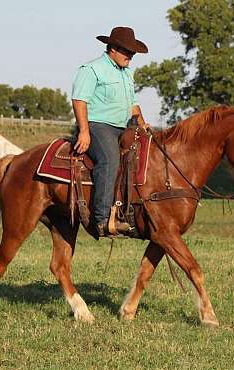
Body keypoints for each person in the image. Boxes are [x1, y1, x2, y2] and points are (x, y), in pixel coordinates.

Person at [71, 26, 150, 237]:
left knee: (144, 155)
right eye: (127, 51)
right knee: (110, 159)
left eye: (132, 52)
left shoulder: (127, 74)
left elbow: (132, 105)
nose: (131, 56)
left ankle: (130, 212)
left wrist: (143, 124)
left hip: (123, 127)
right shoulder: (92, 69)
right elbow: (79, 100)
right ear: (113, 48)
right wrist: (84, 131)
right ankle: (102, 219)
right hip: (98, 126)